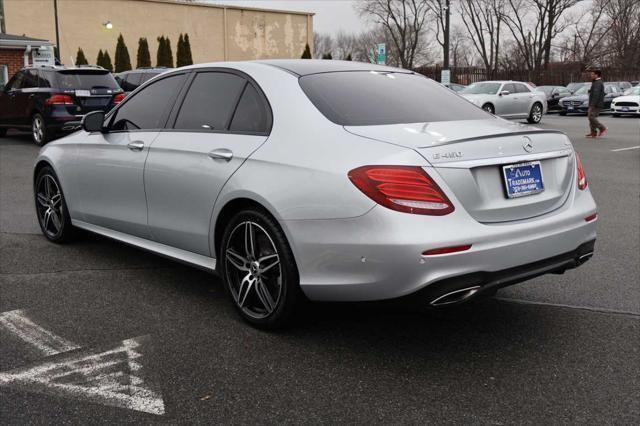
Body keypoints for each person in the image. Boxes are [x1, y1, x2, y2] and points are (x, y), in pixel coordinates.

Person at [586, 69, 606, 138]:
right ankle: (593, 132)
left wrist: (592, 104)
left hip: (596, 104)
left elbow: (596, 95)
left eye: (592, 74)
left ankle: (601, 128)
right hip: (594, 103)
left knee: (591, 117)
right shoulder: (595, 82)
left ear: (596, 75)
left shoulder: (598, 83)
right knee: (591, 117)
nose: (590, 75)